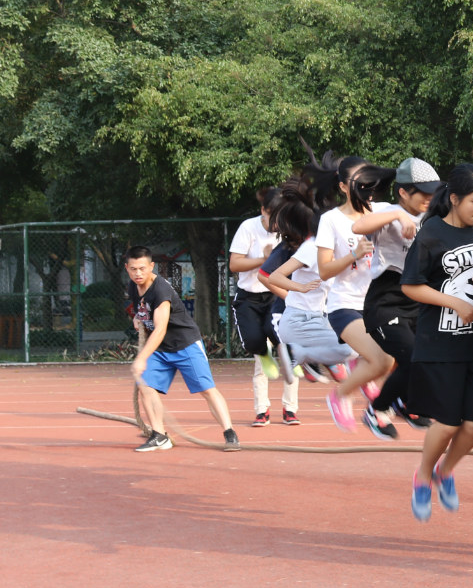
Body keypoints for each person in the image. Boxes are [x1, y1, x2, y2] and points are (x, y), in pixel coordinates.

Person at [401, 164, 473, 522]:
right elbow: (410, 285)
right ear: (455, 199)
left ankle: (445, 472)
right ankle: (423, 476)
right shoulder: (431, 233)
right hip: (442, 345)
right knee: (446, 424)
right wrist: (454, 302)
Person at [354, 157, 442, 438]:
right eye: (423, 193)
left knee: (427, 359)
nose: (429, 198)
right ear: (403, 192)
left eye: (432, 193)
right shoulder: (386, 211)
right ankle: (376, 410)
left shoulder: (433, 215)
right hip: (385, 301)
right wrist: (397, 216)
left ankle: (405, 403)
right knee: (414, 358)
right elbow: (359, 226)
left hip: (418, 300)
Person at [125, 246, 239, 452]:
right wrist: (137, 316)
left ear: (151, 266)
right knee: (146, 385)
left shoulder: (160, 289)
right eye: (133, 269)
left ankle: (229, 432)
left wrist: (141, 358)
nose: (138, 273)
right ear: (127, 268)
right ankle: (159, 436)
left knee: (206, 389)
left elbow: (160, 328)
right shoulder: (134, 286)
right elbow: (144, 309)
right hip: (161, 349)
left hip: (184, 344)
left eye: (142, 268)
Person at [315, 156, 398, 431]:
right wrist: (354, 254)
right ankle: (339, 396)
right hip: (345, 305)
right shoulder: (331, 220)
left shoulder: (383, 210)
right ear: (343, 187)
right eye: (360, 180)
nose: (368, 185)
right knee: (382, 359)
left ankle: (363, 370)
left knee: (396, 357)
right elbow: (324, 271)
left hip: (380, 303)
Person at [254, 179, 332, 425]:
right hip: (279, 303)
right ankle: (262, 408)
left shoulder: (317, 242)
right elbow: (265, 276)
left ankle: (290, 407)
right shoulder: (288, 246)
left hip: (307, 304)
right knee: (268, 349)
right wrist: (290, 295)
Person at [230, 185, 284, 426]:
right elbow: (234, 264)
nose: (277, 223)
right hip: (250, 297)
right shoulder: (248, 228)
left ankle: (290, 408)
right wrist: (264, 259)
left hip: (276, 295)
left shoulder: (288, 229)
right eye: (273, 217)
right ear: (264, 210)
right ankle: (262, 409)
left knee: (286, 347)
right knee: (256, 345)